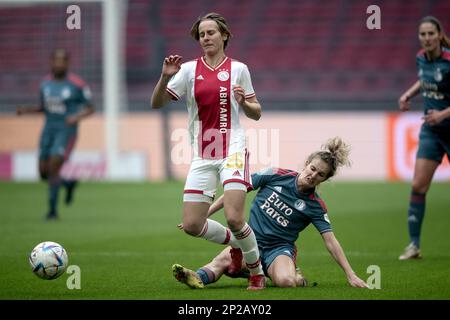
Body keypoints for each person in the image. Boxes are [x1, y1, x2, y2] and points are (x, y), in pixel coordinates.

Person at [151, 13, 265, 290]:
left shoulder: (239, 69)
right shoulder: (189, 71)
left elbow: (256, 112)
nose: (206, 38)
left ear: (224, 35)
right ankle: (240, 245)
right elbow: (156, 103)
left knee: (236, 217)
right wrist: (164, 78)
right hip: (203, 155)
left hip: (233, 150)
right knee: (192, 225)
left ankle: (257, 272)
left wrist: (243, 102)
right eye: (202, 34)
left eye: (211, 32)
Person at [172, 137, 368, 289]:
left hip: (278, 249)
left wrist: (350, 274)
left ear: (324, 179)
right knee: (221, 263)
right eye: (313, 168)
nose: (313, 175)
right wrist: (205, 214)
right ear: (307, 163)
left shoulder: (315, 206)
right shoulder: (275, 175)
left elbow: (330, 241)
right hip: (248, 240)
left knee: (286, 282)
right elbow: (235, 192)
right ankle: (196, 277)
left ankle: (295, 276)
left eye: (320, 174)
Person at [16, 48, 94, 220]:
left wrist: (76, 117)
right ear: (51, 62)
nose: (59, 63)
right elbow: (44, 108)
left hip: (66, 131)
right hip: (48, 129)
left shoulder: (77, 85)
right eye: (56, 60)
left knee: (53, 167)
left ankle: (52, 212)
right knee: (43, 172)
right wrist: (27, 110)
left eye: (62, 60)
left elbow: (91, 108)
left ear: (67, 63)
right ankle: (68, 183)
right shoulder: (45, 84)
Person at [398, 16, 450, 260]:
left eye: (431, 33)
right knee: (418, 186)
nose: (427, 38)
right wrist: (408, 94)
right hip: (431, 131)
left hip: (445, 125)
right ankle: (414, 245)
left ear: (440, 35)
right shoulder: (421, 57)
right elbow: (424, 79)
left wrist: (442, 114)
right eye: (423, 34)